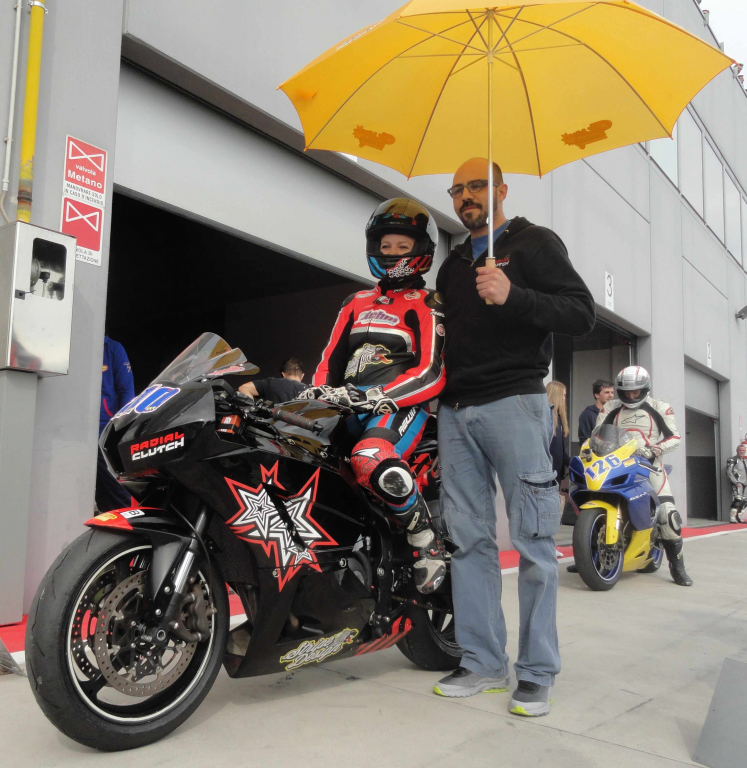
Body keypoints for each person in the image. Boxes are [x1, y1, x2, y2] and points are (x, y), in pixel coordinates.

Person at [433, 157, 595, 717]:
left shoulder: (533, 244)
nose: (466, 197)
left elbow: (581, 313)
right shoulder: (453, 266)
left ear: (501, 189)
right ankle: (482, 662)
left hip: (515, 404)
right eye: (457, 189)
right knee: (468, 542)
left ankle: (536, 671)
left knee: (533, 541)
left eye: (477, 186)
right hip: (455, 411)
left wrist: (513, 294)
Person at [299, 198, 446, 594]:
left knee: (368, 458)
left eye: (403, 246)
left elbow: (432, 372)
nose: (392, 253)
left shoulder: (428, 303)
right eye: (386, 246)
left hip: (398, 407)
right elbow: (329, 361)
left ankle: (424, 536)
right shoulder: (355, 302)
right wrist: (317, 398)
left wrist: (382, 396)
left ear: (421, 250)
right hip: (345, 406)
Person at [596, 365, 692, 587]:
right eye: (627, 391)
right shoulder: (610, 407)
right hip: (615, 462)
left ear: (645, 388)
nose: (631, 396)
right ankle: (587, 552)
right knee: (593, 499)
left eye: (636, 391)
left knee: (667, 513)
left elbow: (674, 437)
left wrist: (654, 450)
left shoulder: (660, 407)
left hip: (650, 465)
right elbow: (597, 434)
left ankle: (677, 567)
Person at [97, 335, 135, 511]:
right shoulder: (73, 345)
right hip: (75, 426)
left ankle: (125, 515)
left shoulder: (112, 348)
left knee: (109, 479)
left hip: (105, 428)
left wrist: (122, 426)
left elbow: (126, 389)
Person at [239, 357, 305, 403]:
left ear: (283, 374)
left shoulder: (271, 383)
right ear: (302, 376)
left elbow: (243, 388)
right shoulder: (309, 390)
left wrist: (254, 410)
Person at [546, 381, 570, 484]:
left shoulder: (558, 418)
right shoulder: (546, 418)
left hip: (556, 473)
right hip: (548, 473)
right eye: (562, 395)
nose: (564, 398)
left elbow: (561, 451)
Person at [578, 379, 614, 444]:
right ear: (597, 395)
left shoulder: (616, 412)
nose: (610, 395)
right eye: (607, 392)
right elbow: (584, 440)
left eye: (612, 392)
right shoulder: (587, 414)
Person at [726, 444, 747, 524]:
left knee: (745, 500)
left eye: (743, 450)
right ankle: (732, 517)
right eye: (740, 450)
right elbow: (729, 472)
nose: (742, 451)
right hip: (738, 483)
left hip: (746, 483)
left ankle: (739, 516)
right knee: (738, 499)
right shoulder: (732, 460)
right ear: (737, 450)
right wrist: (735, 482)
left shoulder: (745, 460)